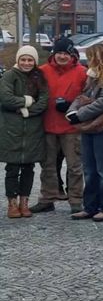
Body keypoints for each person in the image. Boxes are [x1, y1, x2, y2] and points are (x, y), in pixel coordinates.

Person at [65, 43, 103, 222]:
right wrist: (72, 112)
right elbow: (82, 96)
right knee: (89, 169)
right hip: (90, 125)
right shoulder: (92, 75)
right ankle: (90, 206)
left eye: (91, 57)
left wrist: (80, 114)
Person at [29, 37, 87, 215]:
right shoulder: (43, 71)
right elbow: (33, 93)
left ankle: (76, 199)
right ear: (54, 53)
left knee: (75, 166)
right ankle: (47, 198)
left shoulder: (82, 72)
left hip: (71, 127)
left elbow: (87, 97)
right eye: (59, 53)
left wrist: (72, 104)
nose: (62, 56)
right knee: (47, 166)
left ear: (72, 55)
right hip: (47, 125)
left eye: (66, 53)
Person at [1, 45, 48, 218]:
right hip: (11, 129)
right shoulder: (9, 76)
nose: (26, 63)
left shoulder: (39, 77)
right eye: (23, 59)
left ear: (34, 61)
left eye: (30, 60)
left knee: (29, 168)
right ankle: (12, 204)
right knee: (12, 168)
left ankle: (24, 202)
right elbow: (6, 98)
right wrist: (26, 101)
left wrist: (26, 110)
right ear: (18, 60)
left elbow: (43, 101)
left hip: (33, 130)